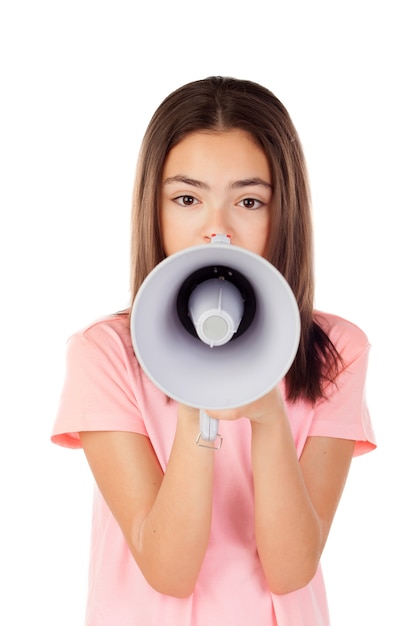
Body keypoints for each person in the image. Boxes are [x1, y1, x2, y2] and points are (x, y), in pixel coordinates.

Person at [52, 76, 376, 626]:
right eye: (187, 198)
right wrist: (198, 388)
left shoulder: (336, 353)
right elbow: (168, 570)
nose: (216, 229)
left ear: (285, 213)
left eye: (249, 200)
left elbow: (292, 570)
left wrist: (268, 415)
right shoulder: (104, 354)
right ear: (153, 210)